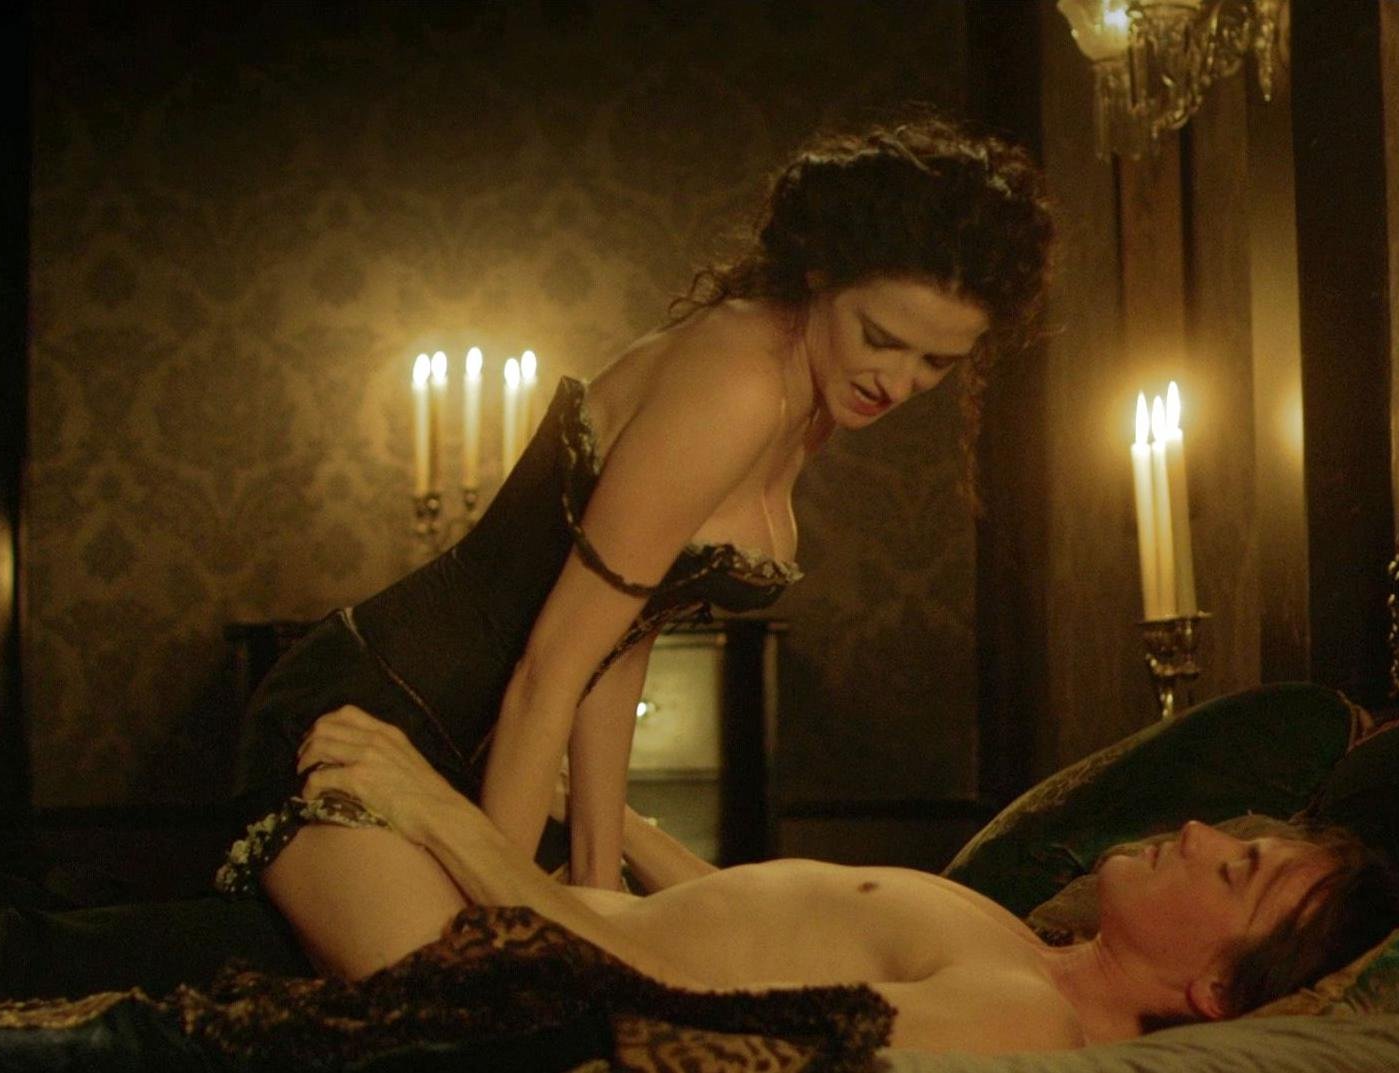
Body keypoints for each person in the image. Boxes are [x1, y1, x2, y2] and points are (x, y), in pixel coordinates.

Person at [221, 113, 1056, 919]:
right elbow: (551, 666)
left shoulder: (809, 396)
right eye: (880, 336)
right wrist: (504, 917)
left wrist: (597, 874)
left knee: (586, 955)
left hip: (492, 748)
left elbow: (620, 646)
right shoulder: (739, 384)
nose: (899, 381)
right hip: (367, 714)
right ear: (819, 273)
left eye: (936, 361)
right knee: (470, 984)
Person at [0, 705, 1399, 1054]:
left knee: (339, 828)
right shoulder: (1015, 948)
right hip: (536, 919)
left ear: (1216, 987)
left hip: (516, 967)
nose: (1203, 829)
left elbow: (693, 1008)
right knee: (259, 920)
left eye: (1241, 864)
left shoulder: (1022, 1024)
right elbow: (755, 922)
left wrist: (444, 810)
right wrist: (629, 828)